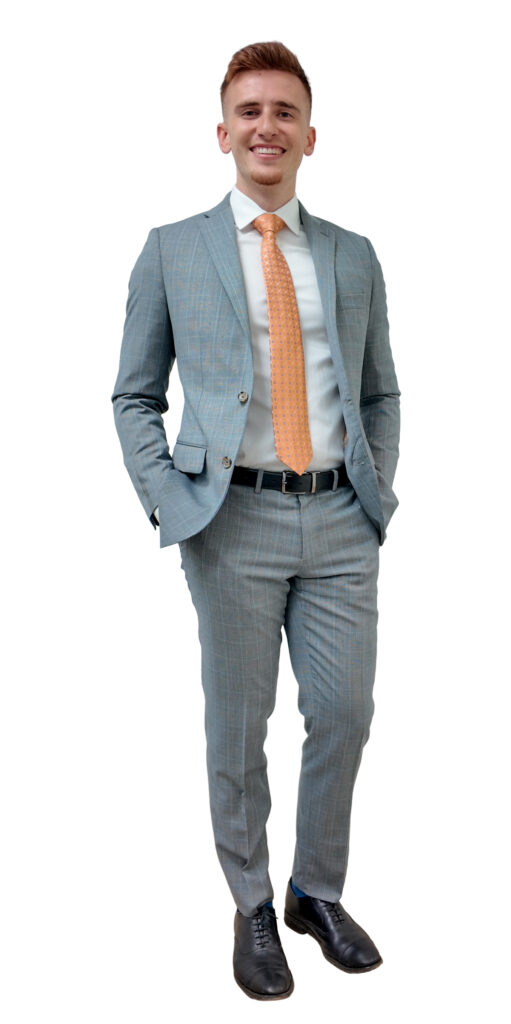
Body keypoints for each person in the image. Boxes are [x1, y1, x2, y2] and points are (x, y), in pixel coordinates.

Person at [112, 41, 400, 1001]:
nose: (265, 126)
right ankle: (250, 906)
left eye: (284, 111)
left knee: (344, 714)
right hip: (229, 521)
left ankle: (315, 891)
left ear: (310, 136)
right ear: (222, 132)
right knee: (238, 728)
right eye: (249, 111)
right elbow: (133, 394)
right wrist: (169, 497)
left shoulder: (352, 255)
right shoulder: (172, 249)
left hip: (340, 520)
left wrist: (378, 490)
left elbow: (380, 391)